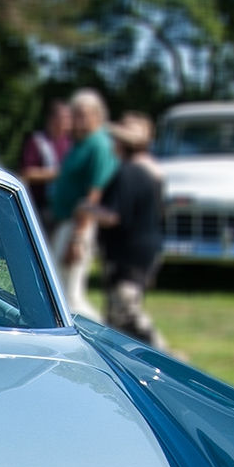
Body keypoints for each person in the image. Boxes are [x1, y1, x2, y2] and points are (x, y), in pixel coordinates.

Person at [80, 113, 167, 349]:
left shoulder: (126, 174)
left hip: (130, 252)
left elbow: (113, 216)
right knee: (116, 315)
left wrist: (88, 208)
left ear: (121, 144)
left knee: (126, 310)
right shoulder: (144, 173)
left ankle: (165, 356)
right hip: (141, 250)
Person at [47, 89, 119, 320]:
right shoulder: (80, 144)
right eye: (75, 114)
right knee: (60, 289)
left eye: (82, 115)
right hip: (66, 221)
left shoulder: (99, 145)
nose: (76, 120)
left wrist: (78, 238)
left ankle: (98, 335)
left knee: (70, 297)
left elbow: (93, 195)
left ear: (97, 116)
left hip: (79, 224)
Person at [18, 98, 71, 231]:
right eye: (64, 117)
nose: (68, 121)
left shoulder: (70, 143)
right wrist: (57, 173)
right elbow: (27, 172)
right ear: (53, 119)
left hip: (64, 206)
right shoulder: (38, 141)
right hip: (41, 206)